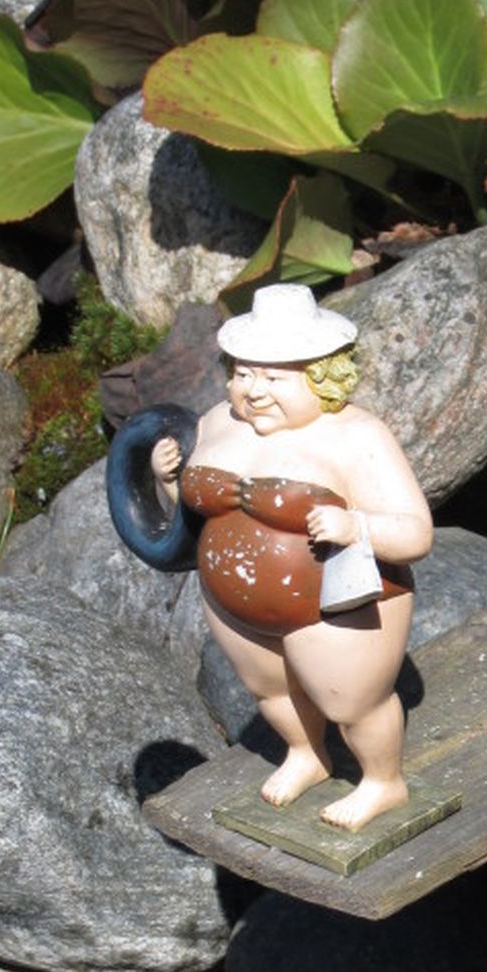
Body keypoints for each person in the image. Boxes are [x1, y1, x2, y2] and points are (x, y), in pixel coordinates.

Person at [151, 284, 432, 831]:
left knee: (352, 703)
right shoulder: (217, 421)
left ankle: (383, 781)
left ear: (321, 376)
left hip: (335, 603)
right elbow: (194, 511)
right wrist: (170, 481)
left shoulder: (357, 437)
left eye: (273, 378)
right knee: (271, 689)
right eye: (243, 374)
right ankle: (307, 753)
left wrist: (356, 526)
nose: (253, 391)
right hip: (233, 603)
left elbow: (416, 533)